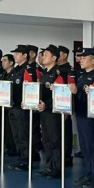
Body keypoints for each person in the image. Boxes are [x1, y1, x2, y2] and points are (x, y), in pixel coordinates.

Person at [70, 49, 94, 188]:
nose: (81, 60)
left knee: (92, 146)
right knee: (84, 147)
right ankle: (89, 173)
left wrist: (77, 92)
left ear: (93, 60)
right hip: (80, 113)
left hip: (90, 116)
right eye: (81, 58)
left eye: (84, 58)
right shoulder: (82, 75)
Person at [7, 45, 40, 172]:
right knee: (16, 135)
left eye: (17, 54)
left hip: (22, 108)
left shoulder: (28, 69)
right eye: (14, 54)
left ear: (25, 55)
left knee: (23, 135)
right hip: (13, 106)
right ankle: (21, 157)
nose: (15, 56)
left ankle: (26, 160)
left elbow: (31, 88)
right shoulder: (16, 70)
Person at [36, 46, 66, 179]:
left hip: (54, 112)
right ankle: (49, 166)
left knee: (55, 141)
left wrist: (47, 105)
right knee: (46, 140)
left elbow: (61, 96)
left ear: (54, 58)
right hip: (44, 112)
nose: (43, 57)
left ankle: (57, 168)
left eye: (46, 55)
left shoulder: (58, 74)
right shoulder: (45, 73)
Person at [57, 45, 74, 164]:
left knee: (65, 132)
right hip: (56, 104)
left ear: (64, 55)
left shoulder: (69, 70)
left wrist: (68, 108)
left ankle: (67, 157)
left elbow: (70, 90)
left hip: (64, 105)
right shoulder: (56, 69)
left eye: (58, 54)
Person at [0, 54, 18, 157]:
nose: (3, 62)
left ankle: (14, 148)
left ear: (11, 62)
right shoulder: (3, 74)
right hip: (4, 105)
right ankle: (9, 147)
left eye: (5, 60)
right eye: (2, 60)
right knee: (5, 128)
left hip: (13, 105)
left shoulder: (15, 74)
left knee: (13, 129)